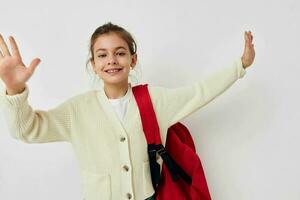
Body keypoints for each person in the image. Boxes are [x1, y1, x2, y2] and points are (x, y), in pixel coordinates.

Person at [0, 22, 255, 200]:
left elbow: (200, 91)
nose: (111, 60)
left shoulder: (154, 100)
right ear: (94, 65)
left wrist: (240, 65)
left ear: (132, 60)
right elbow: (26, 130)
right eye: (102, 55)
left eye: (120, 53)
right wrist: (14, 90)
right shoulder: (77, 110)